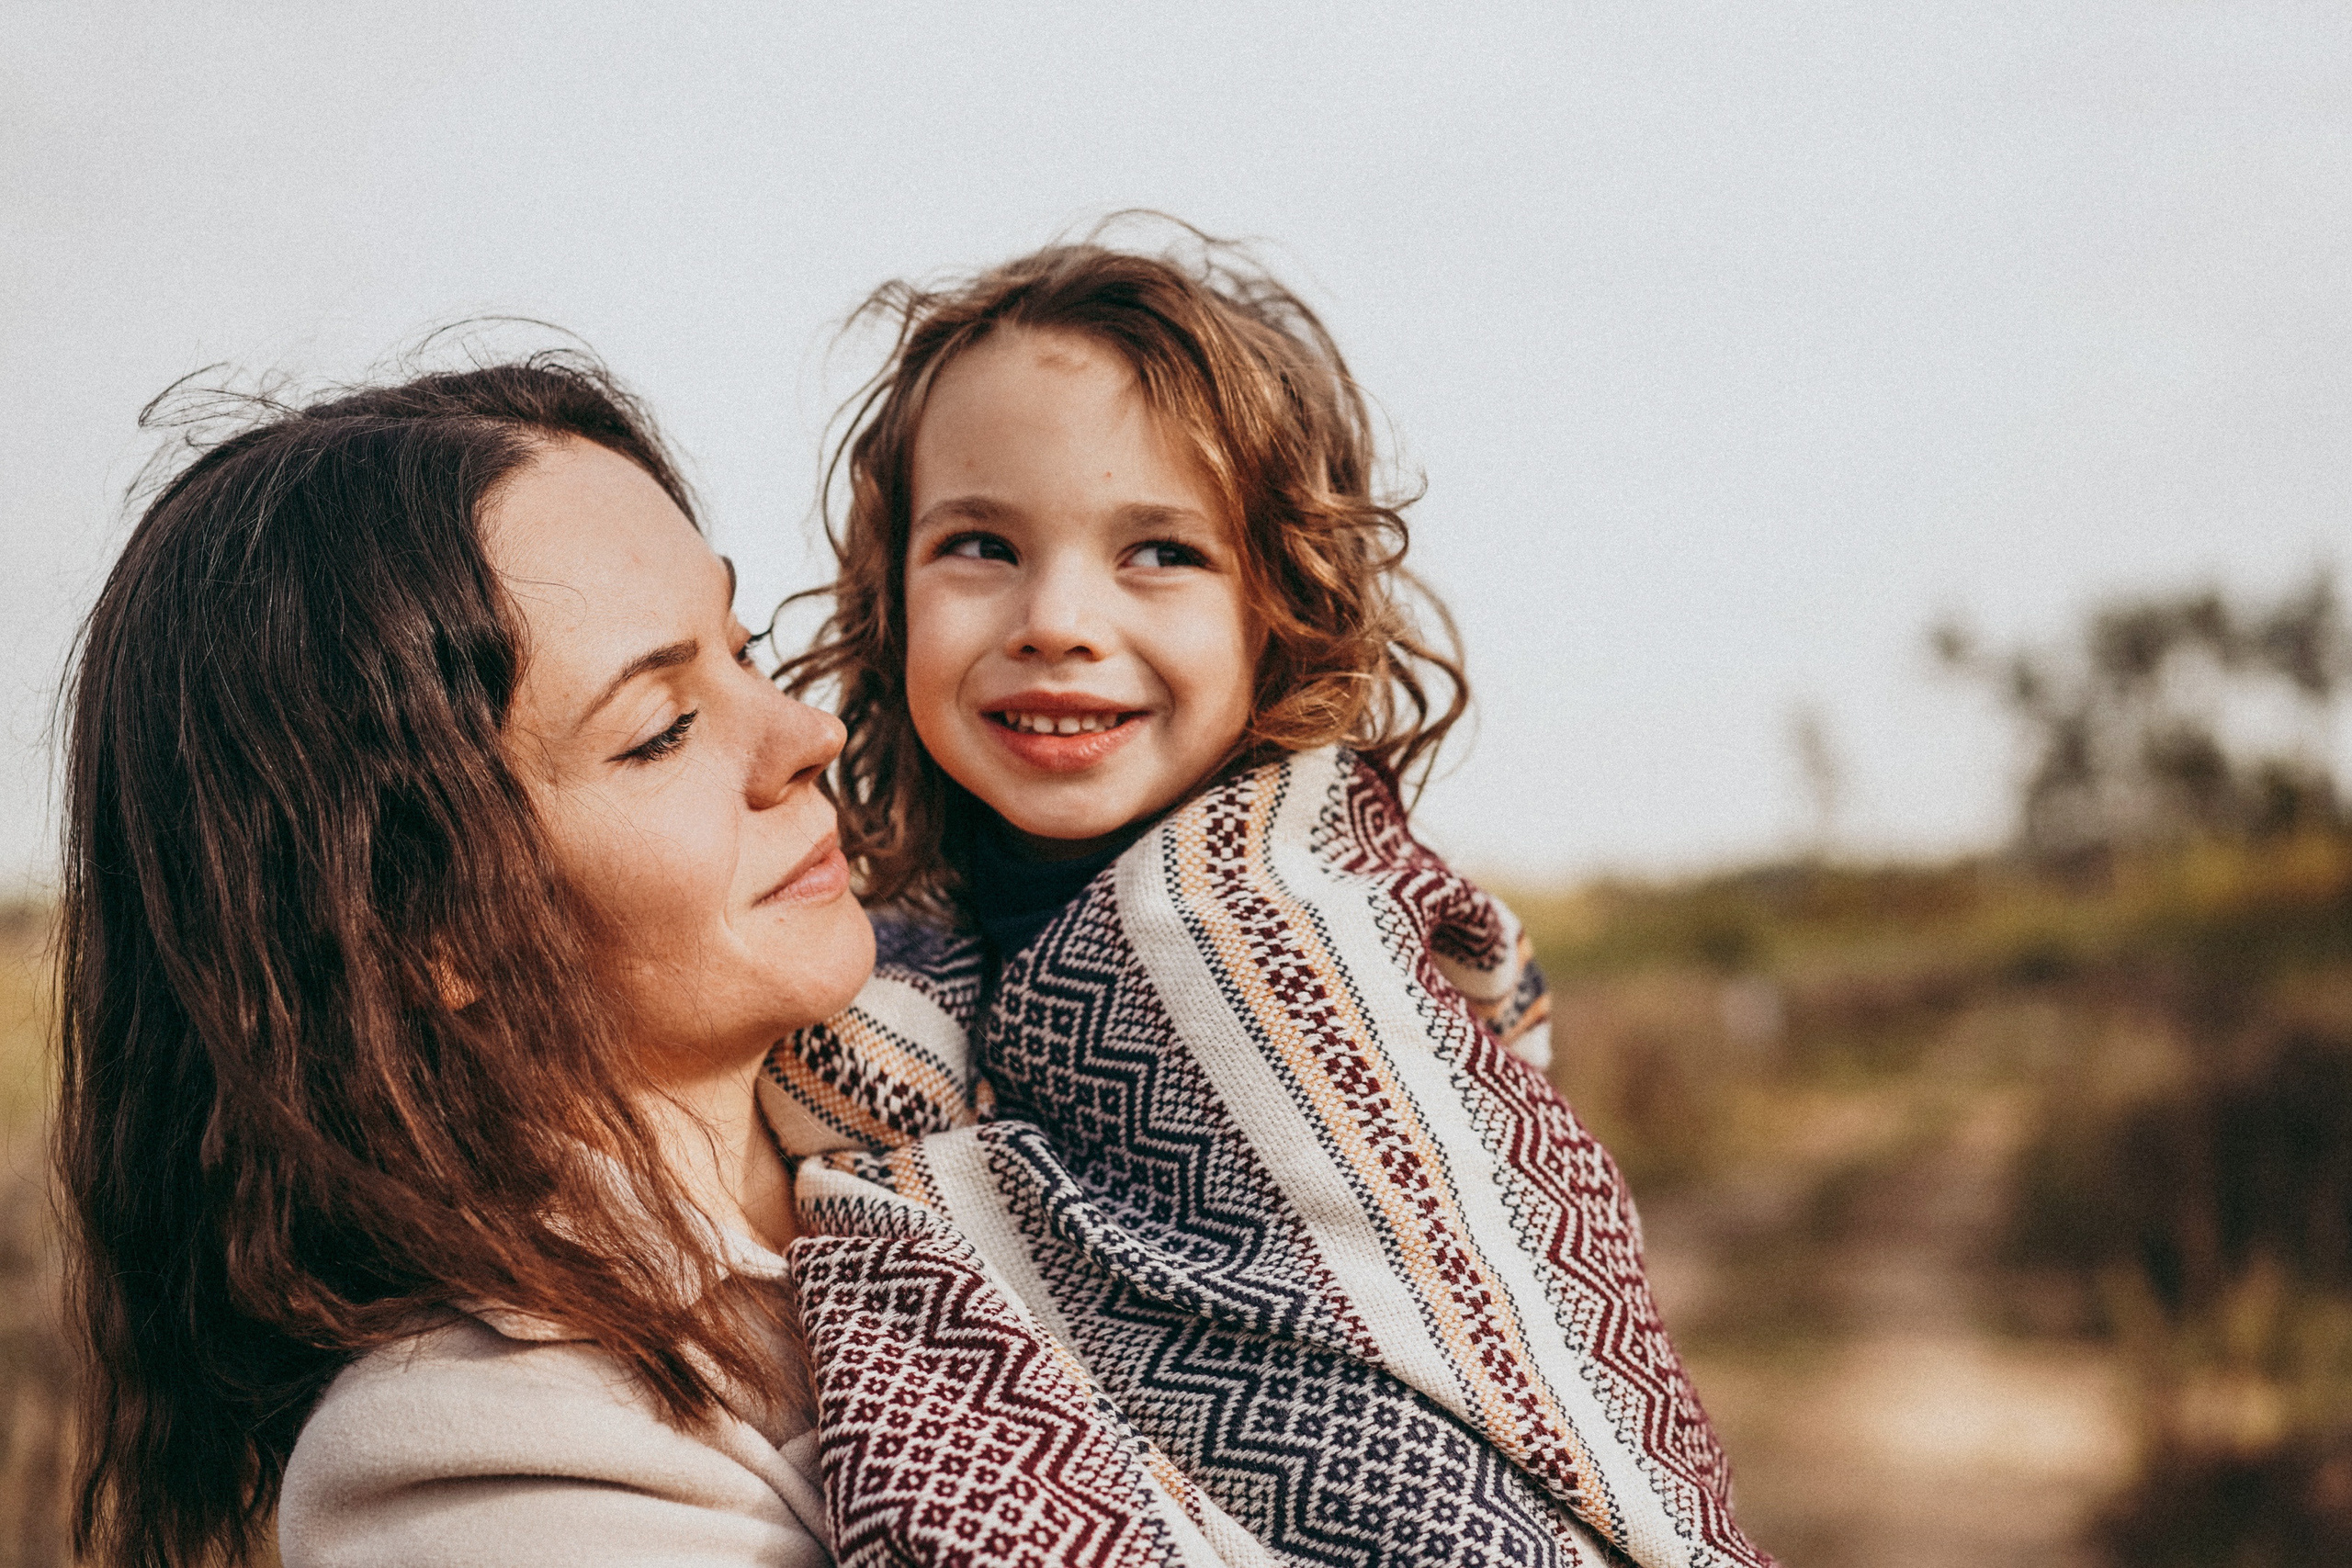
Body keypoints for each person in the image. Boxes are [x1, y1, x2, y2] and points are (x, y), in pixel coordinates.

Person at [766, 231, 1774, 1566]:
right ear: (890, 599)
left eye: (1162, 554)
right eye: (980, 544)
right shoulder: (870, 951)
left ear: (1278, 604)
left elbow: (1499, 1325)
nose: (1056, 617)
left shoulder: (1296, 929)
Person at [57, 359, 872, 1568]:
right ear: (424, 926)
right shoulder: (483, 1459)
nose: (809, 734)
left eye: (744, 650)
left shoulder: (975, 1101)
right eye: (662, 731)